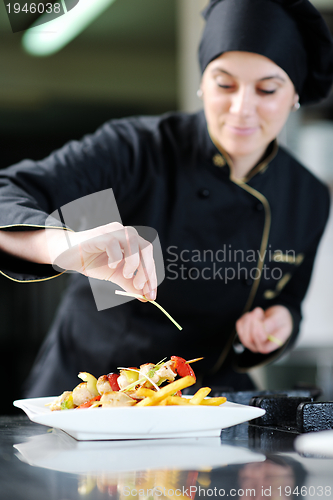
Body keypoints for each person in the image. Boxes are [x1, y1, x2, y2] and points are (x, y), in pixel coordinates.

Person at [0, 0, 332, 396]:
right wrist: (63, 244)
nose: (242, 108)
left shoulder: (308, 195)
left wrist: (281, 324)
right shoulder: (135, 148)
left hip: (203, 407)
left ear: (294, 93)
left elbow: (289, 301)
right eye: (224, 84)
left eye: (267, 89)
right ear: (202, 83)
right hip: (88, 399)